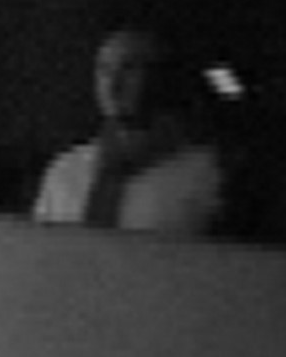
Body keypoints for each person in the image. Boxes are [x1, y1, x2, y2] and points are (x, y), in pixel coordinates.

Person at [29, 22, 227, 234]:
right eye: (104, 70)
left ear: (158, 78)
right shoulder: (65, 172)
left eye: (129, 68)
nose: (113, 84)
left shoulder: (205, 175)